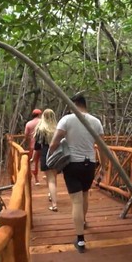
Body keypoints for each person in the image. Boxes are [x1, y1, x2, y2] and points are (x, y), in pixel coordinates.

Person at [49, 93, 104, 253]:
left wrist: (51, 159)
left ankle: (80, 240)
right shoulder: (96, 121)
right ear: (85, 104)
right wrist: (104, 167)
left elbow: (54, 142)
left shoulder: (67, 119)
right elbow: (102, 146)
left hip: (72, 164)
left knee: (76, 201)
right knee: (85, 194)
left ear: (73, 104)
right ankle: (84, 221)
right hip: (90, 164)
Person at [33, 109, 59, 212]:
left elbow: (37, 146)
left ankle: (54, 204)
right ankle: (51, 195)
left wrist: (33, 158)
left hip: (46, 153)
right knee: (54, 177)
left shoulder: (41, 129)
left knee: (51, 179)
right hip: (57, 153)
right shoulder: (57, 128)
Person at [23, 108, 42, 185]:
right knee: (45, 159)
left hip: (33, 145)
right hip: (43, 145)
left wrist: (25, 142)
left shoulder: (28, 124)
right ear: (39, 114)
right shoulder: (43, 122)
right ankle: (46, 175)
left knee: (34, 161)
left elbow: (26, 135)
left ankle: (36, 179)